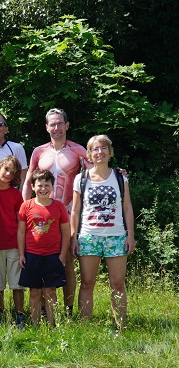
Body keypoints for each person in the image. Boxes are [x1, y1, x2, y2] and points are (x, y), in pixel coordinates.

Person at [21, 108, 88, 314]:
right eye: (53, 124)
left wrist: (116, 172)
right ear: (47, 127)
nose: (56, 128)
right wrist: (26, 208)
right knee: (39, 260)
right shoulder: (39, 151)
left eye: (60, 123)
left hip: (67, 213)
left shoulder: (78, 150)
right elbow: (28, 181)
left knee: (66, 261)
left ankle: (67, 309)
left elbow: (95, 174)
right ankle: (43, 308)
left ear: (67, 125)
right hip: (40, 214)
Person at [70, 135, 135, 330]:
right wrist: (74, 237)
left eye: (103, 148)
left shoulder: (119, 177)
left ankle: (120, 326)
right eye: (95, 149)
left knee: (118, 284)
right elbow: (75, 210)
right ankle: (85, 327)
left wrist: (130, 235)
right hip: (89, 236)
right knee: (87, 283)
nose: (100, 152)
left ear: (110, 152)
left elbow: (127, 208)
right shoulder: (81, 178)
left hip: (116, 236)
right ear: (89, 154)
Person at [18, 169, 70, 327]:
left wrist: (62, 255)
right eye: (39, 185)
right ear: (33, 187)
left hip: (53, 256)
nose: (43, 188)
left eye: (47, 185)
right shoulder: (26, 206)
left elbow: (66, 232)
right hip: (32, 255)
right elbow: (21, 231)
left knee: (50, 291)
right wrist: (22, 254)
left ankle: (52, 325)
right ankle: (35, 324)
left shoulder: (59, 206)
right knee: (34, 292)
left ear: (52, 187)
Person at [0, 155, 25, 326]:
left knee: (17, 284)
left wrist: (23, 250)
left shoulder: (16, 195)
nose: (8, 174)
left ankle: (20, 315)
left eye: (12, 172)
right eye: (6, 169)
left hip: (14, 245)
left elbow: (21, 225)